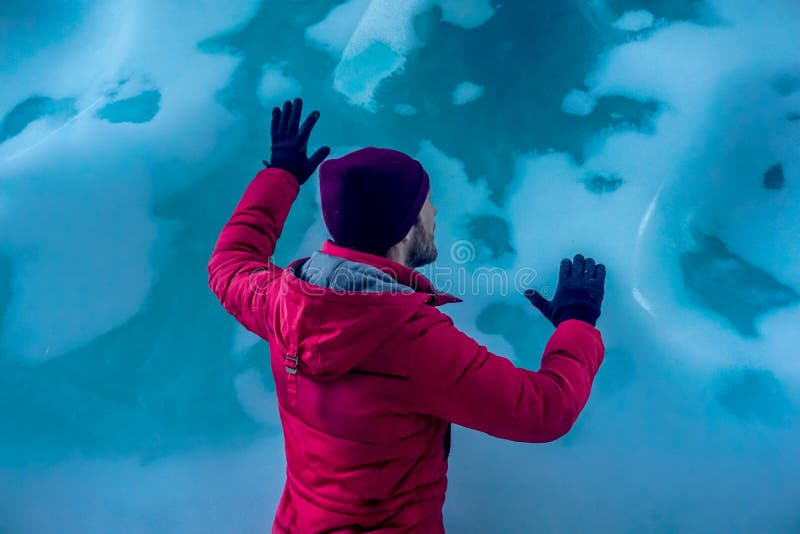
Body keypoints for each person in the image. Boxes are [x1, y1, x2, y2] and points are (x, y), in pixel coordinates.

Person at [208, 98, 606, 533]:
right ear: (406, 228)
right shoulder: (413, 343)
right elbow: (545, 410)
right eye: (427, 205)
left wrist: (279, 175)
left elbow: (231, 261)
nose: (435, 214)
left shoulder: (281, 300)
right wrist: (577, 323)